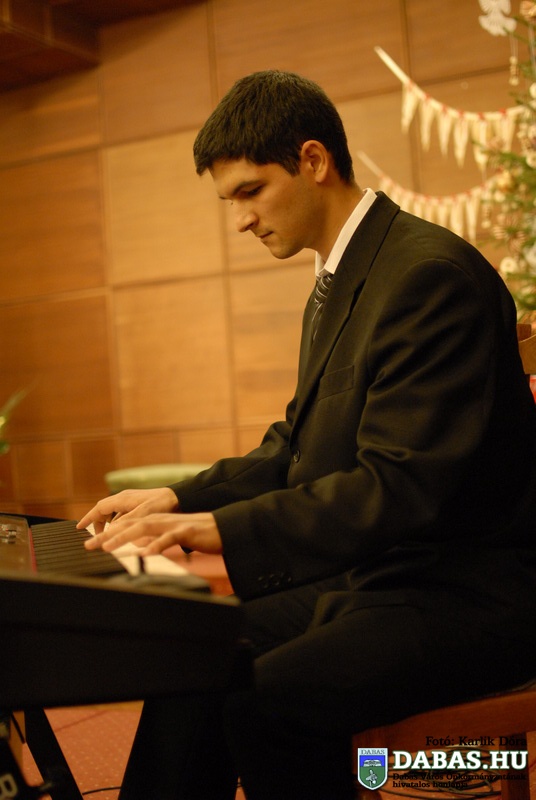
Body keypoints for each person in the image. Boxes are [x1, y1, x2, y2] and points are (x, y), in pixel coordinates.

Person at [77, 70, 536, 800]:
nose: (240, 220)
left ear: (314, 160)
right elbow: (293, 442)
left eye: (250, 192)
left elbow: (396, 488)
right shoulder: (343, 275)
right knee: (192, 653)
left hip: (465, 591)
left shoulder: (426, 276)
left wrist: (215, 530)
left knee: (267, 707)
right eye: (230, 201)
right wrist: (177, 497)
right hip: (383, 575)